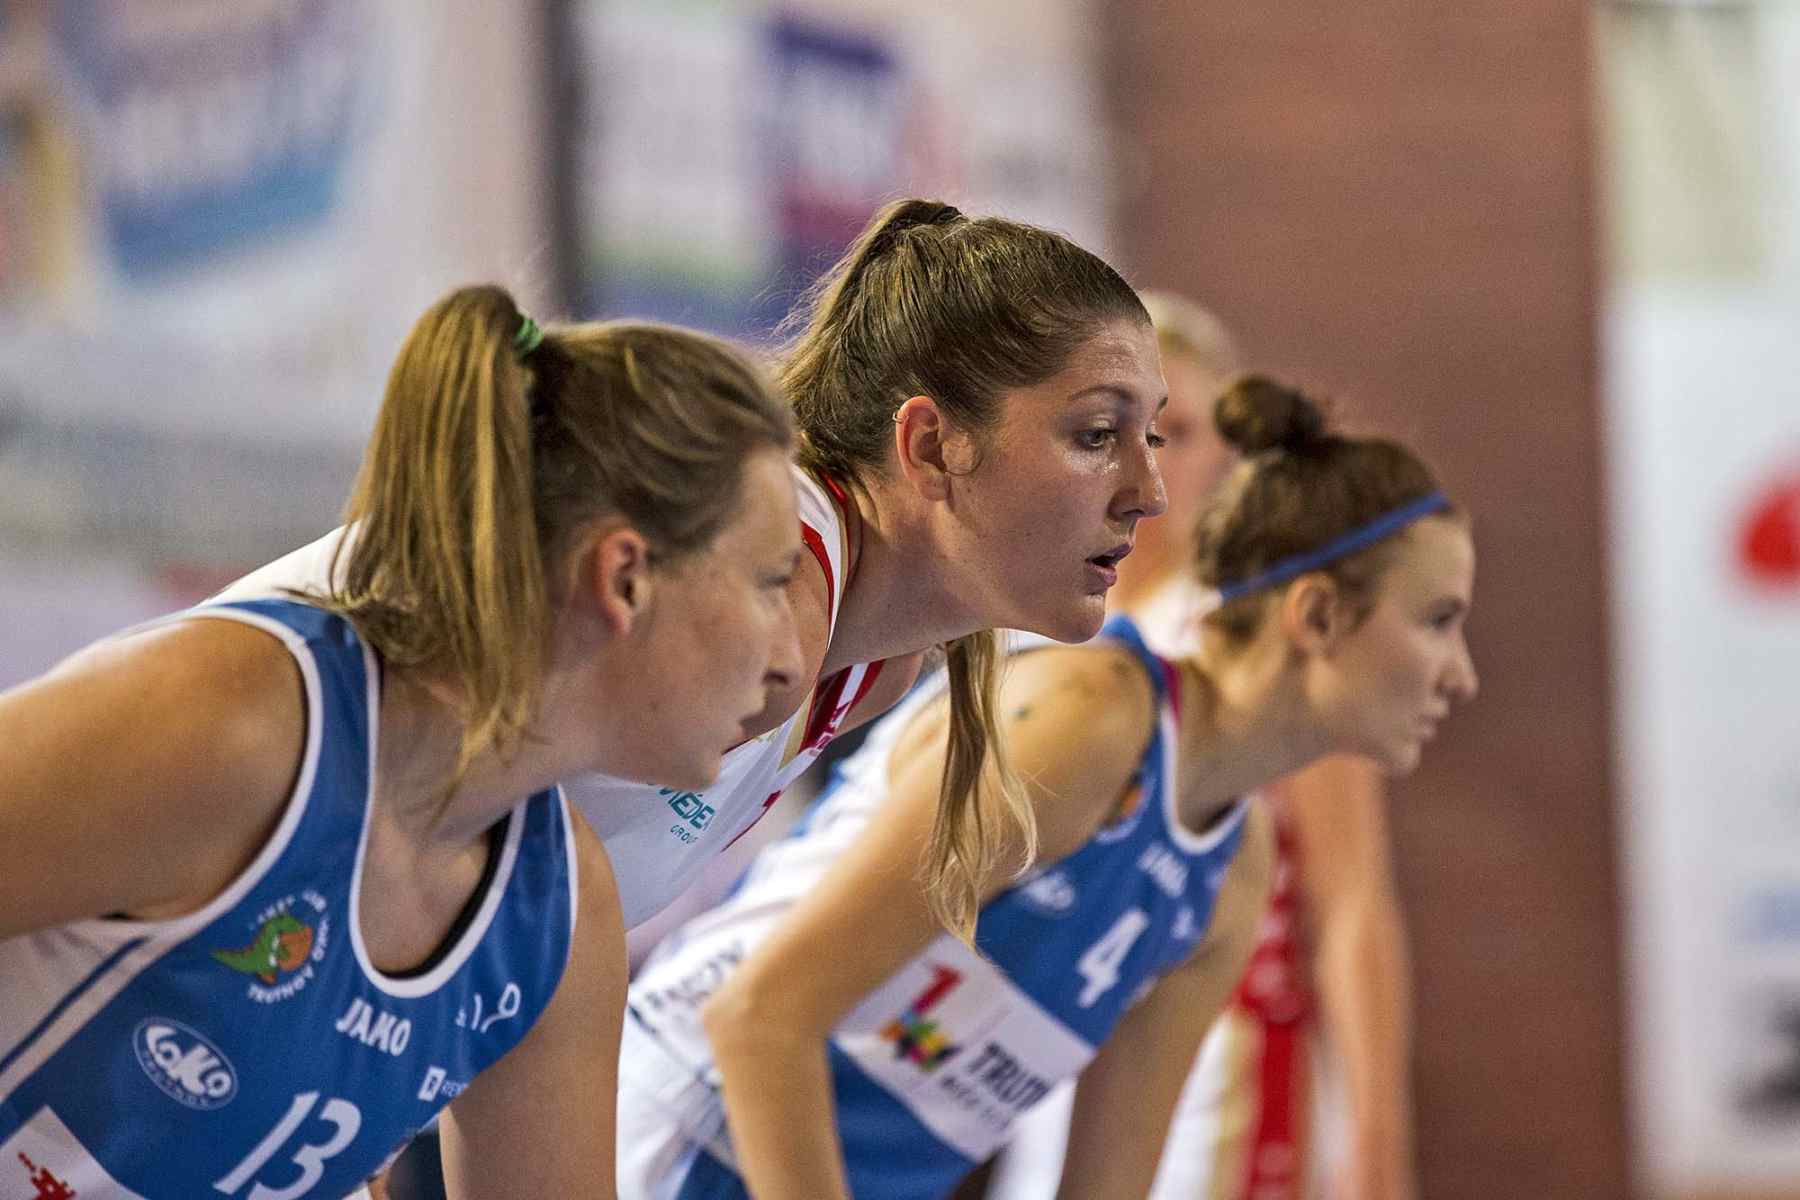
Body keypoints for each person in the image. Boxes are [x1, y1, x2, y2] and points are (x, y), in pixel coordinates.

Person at [0, 284, 804, 1199]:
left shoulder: (561, 916)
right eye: (771, 583)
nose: (789, 658)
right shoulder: (239, 719)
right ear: (623, 578)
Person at [615, 375, 1479, 1199]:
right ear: (1317, 615)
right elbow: (756, 1018)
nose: (1461, 675)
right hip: (679, 1135)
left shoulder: (1234, 869)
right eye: (1438, 620)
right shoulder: (1090, 720)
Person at [224, 198, 1171, 951]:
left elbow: (494, 947)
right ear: (929, 445)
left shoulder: (871, 665)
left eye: (1153, 436)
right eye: (1098, 434)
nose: (1150, 493)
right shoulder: (764, 605)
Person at [983, 297, 1421, 1200]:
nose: (1145, 461)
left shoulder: (1266, 629)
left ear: (1226, 453)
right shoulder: (1024, 634)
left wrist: (1378, 1144)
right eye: (1108, 432)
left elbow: (1351, 901)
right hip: (1048, 1052)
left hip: (1225, 1058)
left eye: (1175, 431)